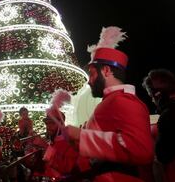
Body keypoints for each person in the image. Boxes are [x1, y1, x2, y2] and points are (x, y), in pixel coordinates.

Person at [63, 26, 154, 182]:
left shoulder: (123, 100)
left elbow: (141, 149)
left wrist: (82, 136)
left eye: (91, 74)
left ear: (106, 71)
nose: (89, 81)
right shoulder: (111, 101)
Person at [31, 89, 78, 180]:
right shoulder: (52, 141)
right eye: (47, 124)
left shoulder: (70, 142)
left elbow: (67, 168)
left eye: (52, 123)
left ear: (60, 124)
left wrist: (45, 146)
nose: (48, 127)